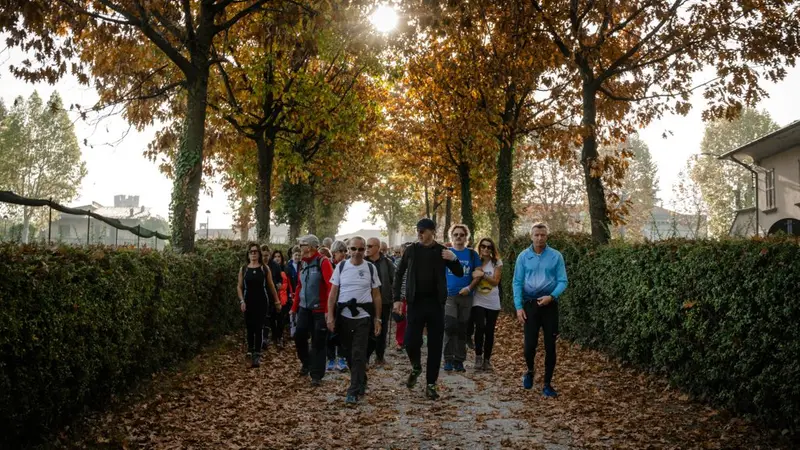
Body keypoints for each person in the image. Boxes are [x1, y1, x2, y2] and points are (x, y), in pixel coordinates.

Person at [393, 218, 463, 400]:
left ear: (432, 231)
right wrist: (396, 300)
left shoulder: (441, 251)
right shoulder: (412, 250)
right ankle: (416, 366)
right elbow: (399, 273)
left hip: (436, 304)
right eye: (418, 231)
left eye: (423, 231)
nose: (420, 234)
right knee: (410, 341)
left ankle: (431, 384)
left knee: (435, 345)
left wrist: (454, 258)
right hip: (415, 303)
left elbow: (459, 273)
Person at [513, 223, 568, 397]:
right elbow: (517, 282)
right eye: (536, 235)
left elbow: (563, 281)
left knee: (550, 346)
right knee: (529, 345)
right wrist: (518, 307)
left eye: (543, 235)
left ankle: (547, 384)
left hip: (549, 304)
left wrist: (552, 296)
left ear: (547, 236)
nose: (539, 238)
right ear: (531, 236)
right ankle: (530, 370)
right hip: (530, 305)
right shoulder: (523, 256)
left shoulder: (556, 256)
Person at [326, 236, 382, 405]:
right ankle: (361, 379)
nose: (357, 253)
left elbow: (377, 295)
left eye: (361, 249)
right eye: (353, 249)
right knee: (349, 354)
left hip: (363, 317)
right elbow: (333, 293)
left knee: (359, 354)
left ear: (365, 250)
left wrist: (377, 319)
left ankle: (353, 390)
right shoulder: (341, 267)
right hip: (344, 316)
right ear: (348, 250)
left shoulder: (370, 268)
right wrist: (330, 315)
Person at [291, 235, 334, 386]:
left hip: (320, 310)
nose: (299, 247)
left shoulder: (323, 262)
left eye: (301, 244)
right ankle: (307, 362)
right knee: (299, 336)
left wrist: (329, 310)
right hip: (304, 308)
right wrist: (294, 307)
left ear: (309, 247)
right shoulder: (302, 263)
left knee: (318, 342)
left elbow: (331, 287)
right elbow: (299, 286)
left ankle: (316, 375)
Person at [443, 224, 482, 373]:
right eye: (456, 235)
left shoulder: (472, 255)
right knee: (450, 326)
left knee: (461, 329)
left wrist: (469, 288)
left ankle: (459, 360)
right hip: (449, 296)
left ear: (467, 237)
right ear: (451, 237)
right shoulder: (446, 253)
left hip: (466, 296)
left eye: (462, 235)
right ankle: (448, 358)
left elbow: (478, 274)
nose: (459, 237)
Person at [237, 243, 280, 368]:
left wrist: (277, 301)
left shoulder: (264, 268)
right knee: (249, 327)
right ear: (248, 254)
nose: (253, 253)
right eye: (251, 251)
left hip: (261, 301)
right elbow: (239, 287)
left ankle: (257, 353)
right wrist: (241, 301)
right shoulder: (244, 269)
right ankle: (250, 350)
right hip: (247, 301)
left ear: (259, 254)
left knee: (259, 327)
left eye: (256, 251)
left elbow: (271, 286)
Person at [471, 237, 502, 371]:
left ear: (492, 249)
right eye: (483, 246)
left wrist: (483, 275)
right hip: (478, 299)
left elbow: (495, 282)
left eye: (489, 247)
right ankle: (478, 357)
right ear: (480, 247)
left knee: (489, 331)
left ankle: (487, 360)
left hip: (493, 300)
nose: (486, 249)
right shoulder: (476, 261)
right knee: (480, 327)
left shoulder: (497, 263)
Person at [365, 237, 395, 365]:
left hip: (384, 301)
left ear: (378, 247)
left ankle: (380, 356)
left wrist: (395, 298)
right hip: (366, 301)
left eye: (370, 246)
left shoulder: (387, 263)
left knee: (382, 330)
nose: (367, 248)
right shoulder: (363, 262)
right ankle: (365, 357)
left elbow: (394, 280)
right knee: (366, 330)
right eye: (367, 246)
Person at [327, 240, 349, 373]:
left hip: (342, 302)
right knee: (330, 331)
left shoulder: (347, 265)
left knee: (342, 332)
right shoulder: (328, 264)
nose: (342, 254)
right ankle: (330, 358)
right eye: (340, 252)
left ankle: (341, 358)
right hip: (331, 302)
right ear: (334, 252)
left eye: (344, 251)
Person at [271, 250, 294, 348]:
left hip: (284, 298)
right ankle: (274, 336)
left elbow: (289, 284)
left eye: (279, 256)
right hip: (273, 297)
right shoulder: (270, 269)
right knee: (272, 318)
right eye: (275, 256)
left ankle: (279, 337)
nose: (277, 258)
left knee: (281, 319)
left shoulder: (286, 269)